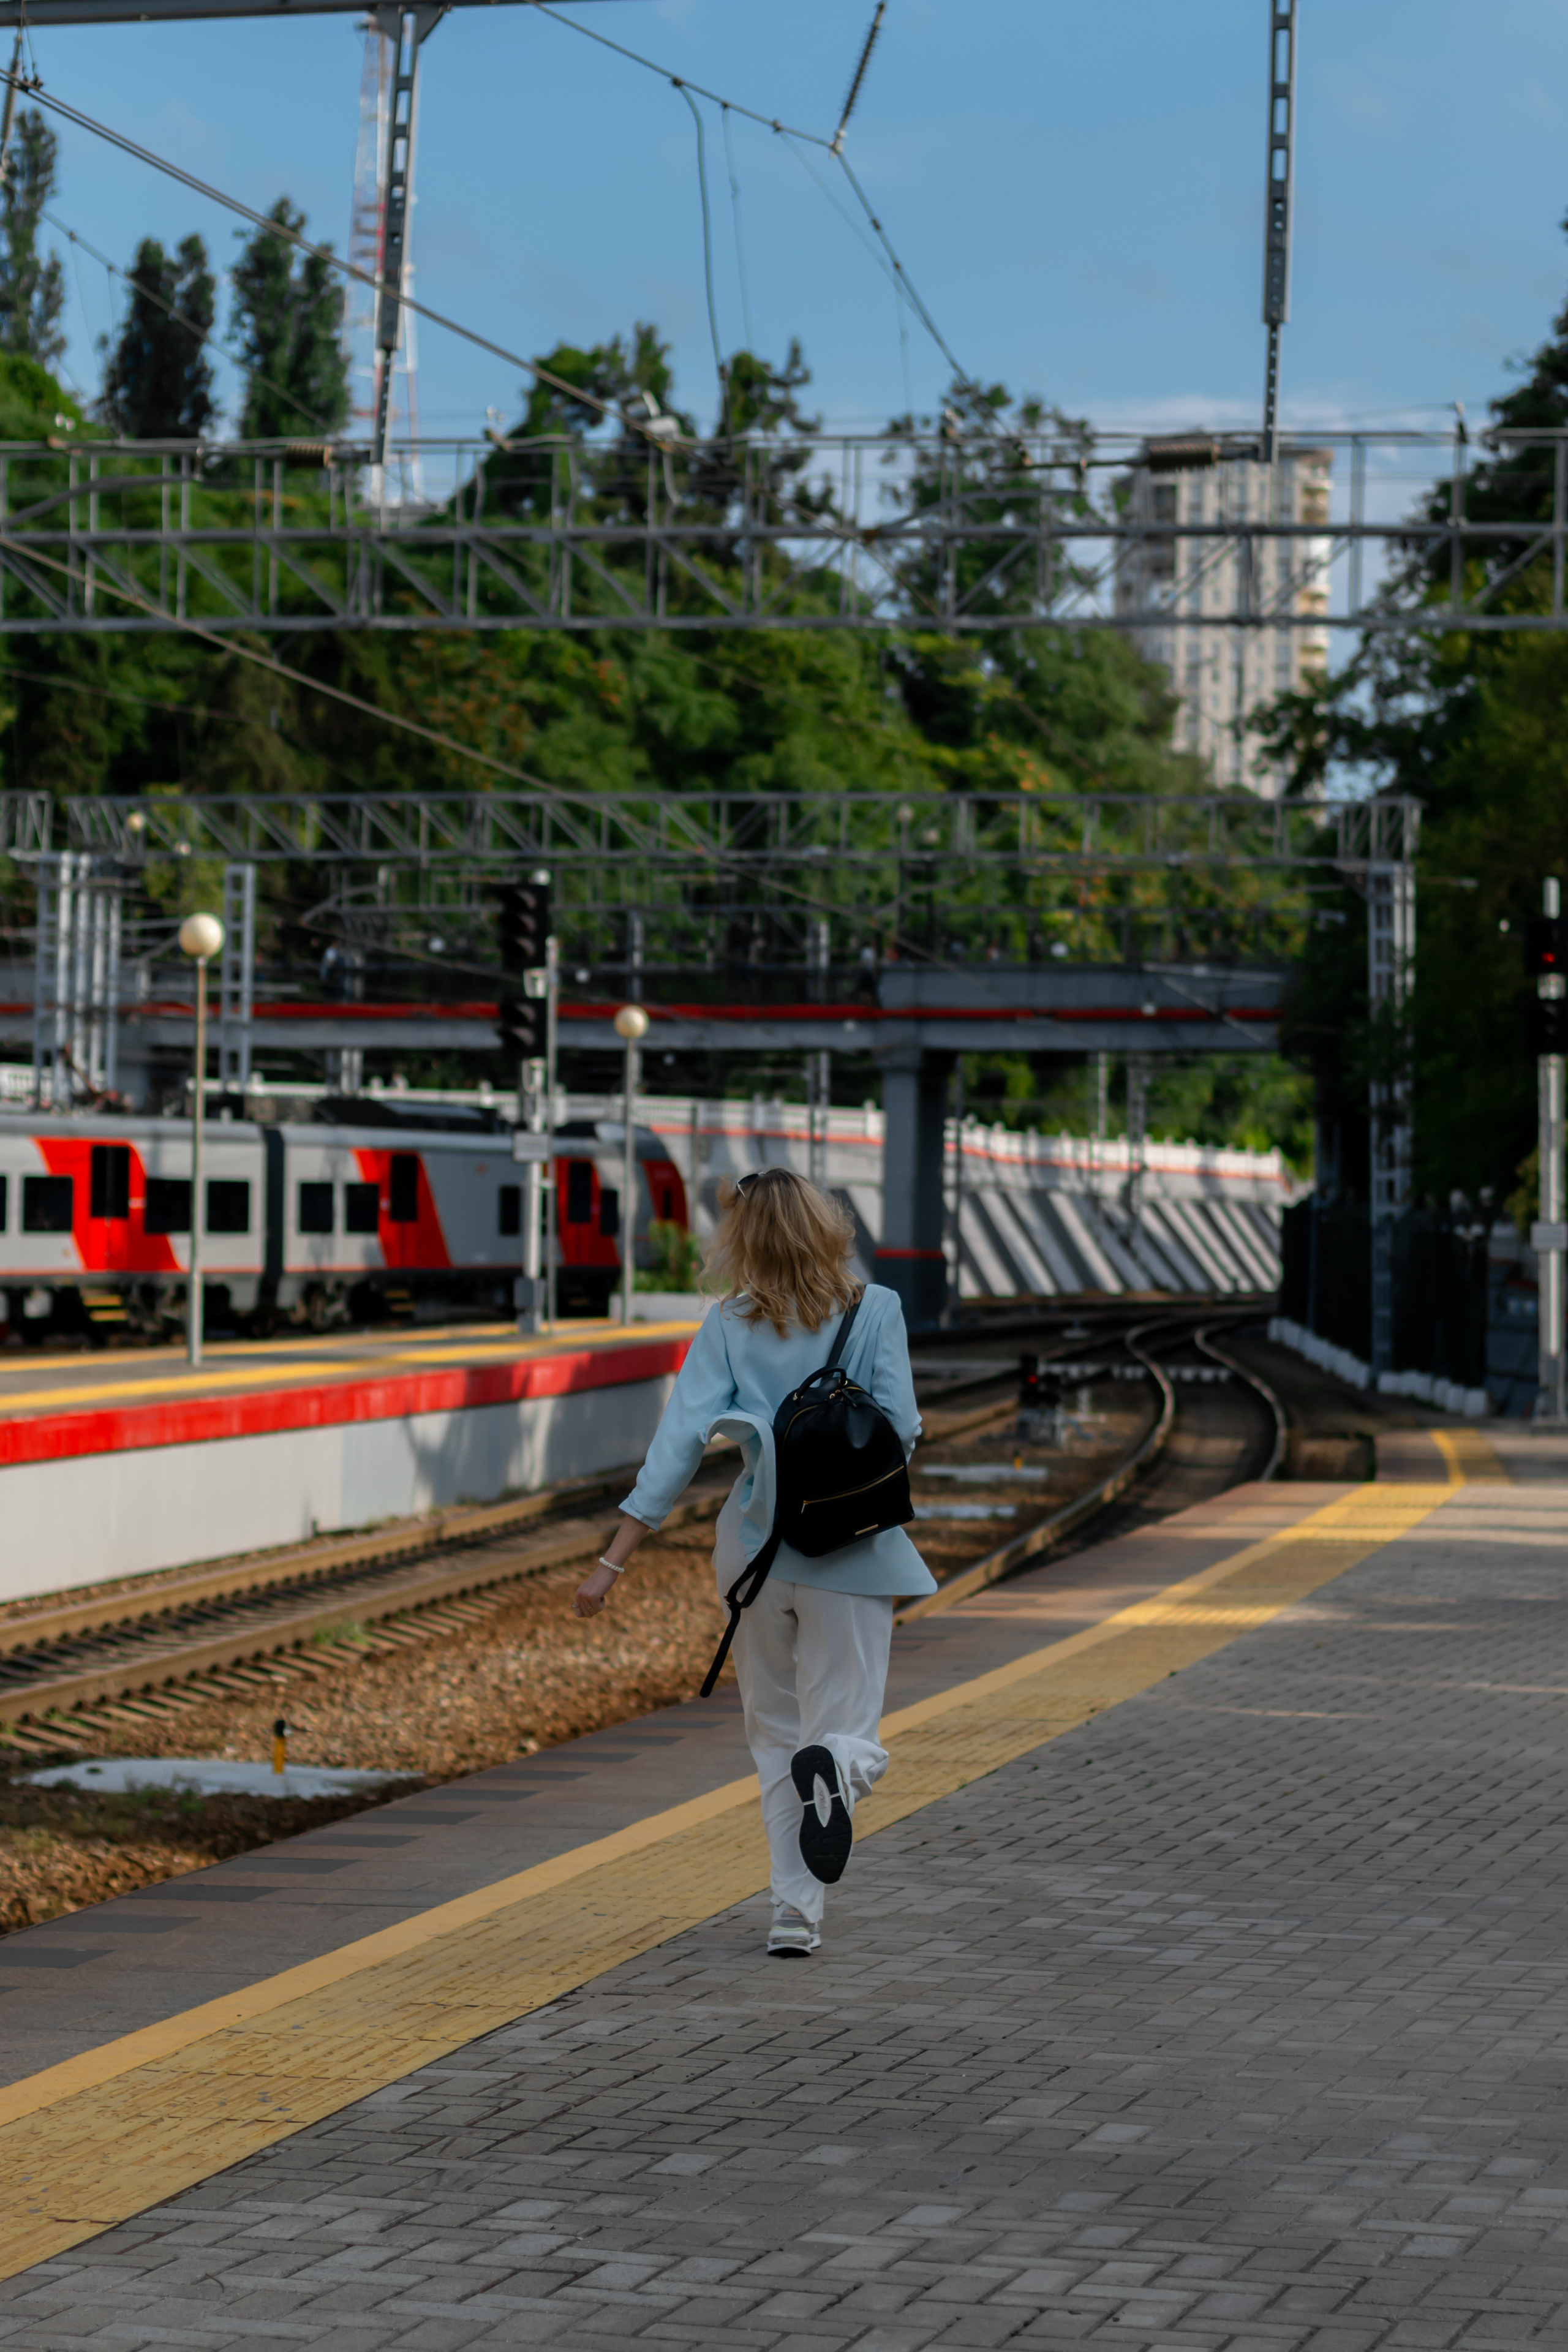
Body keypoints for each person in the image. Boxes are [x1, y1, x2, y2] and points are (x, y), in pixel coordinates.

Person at [572, 1167, 935, 1956]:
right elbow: (900, 1430)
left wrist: (614, 1561)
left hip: (754, 1549)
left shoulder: (729, 1322)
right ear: (825, 1226)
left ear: (742, 1239)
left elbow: (676, 1448)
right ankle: (837, 1764)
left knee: (774, 1735)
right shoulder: (877, 1309)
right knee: (845, 1727)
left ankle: (793, 1917)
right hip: (852, 1547)